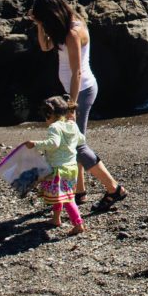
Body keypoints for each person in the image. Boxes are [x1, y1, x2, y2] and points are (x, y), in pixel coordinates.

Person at [29, 0, 129, 212]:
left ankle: (114, 189)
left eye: (44, 18)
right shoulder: (63, 28)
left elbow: (77, 72)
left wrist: (71, 105)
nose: (44, 22)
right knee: (76, 141)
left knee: (78, 144)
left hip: (81, 91)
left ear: (53, 13)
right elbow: (45, 47)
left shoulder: (73, 31)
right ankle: (79, 191)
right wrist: (39, 25)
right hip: (72, 91)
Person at [25, 95, 86, 234]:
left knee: (68, 198)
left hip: (58, 168)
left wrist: (35, 144)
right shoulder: (72, 125)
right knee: (62, 195)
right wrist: (69, 145)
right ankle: (56, 219)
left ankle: (78, 224)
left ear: (50, 114)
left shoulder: (54, 127)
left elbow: (54, 144)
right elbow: (81, 140)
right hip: (71, 167)